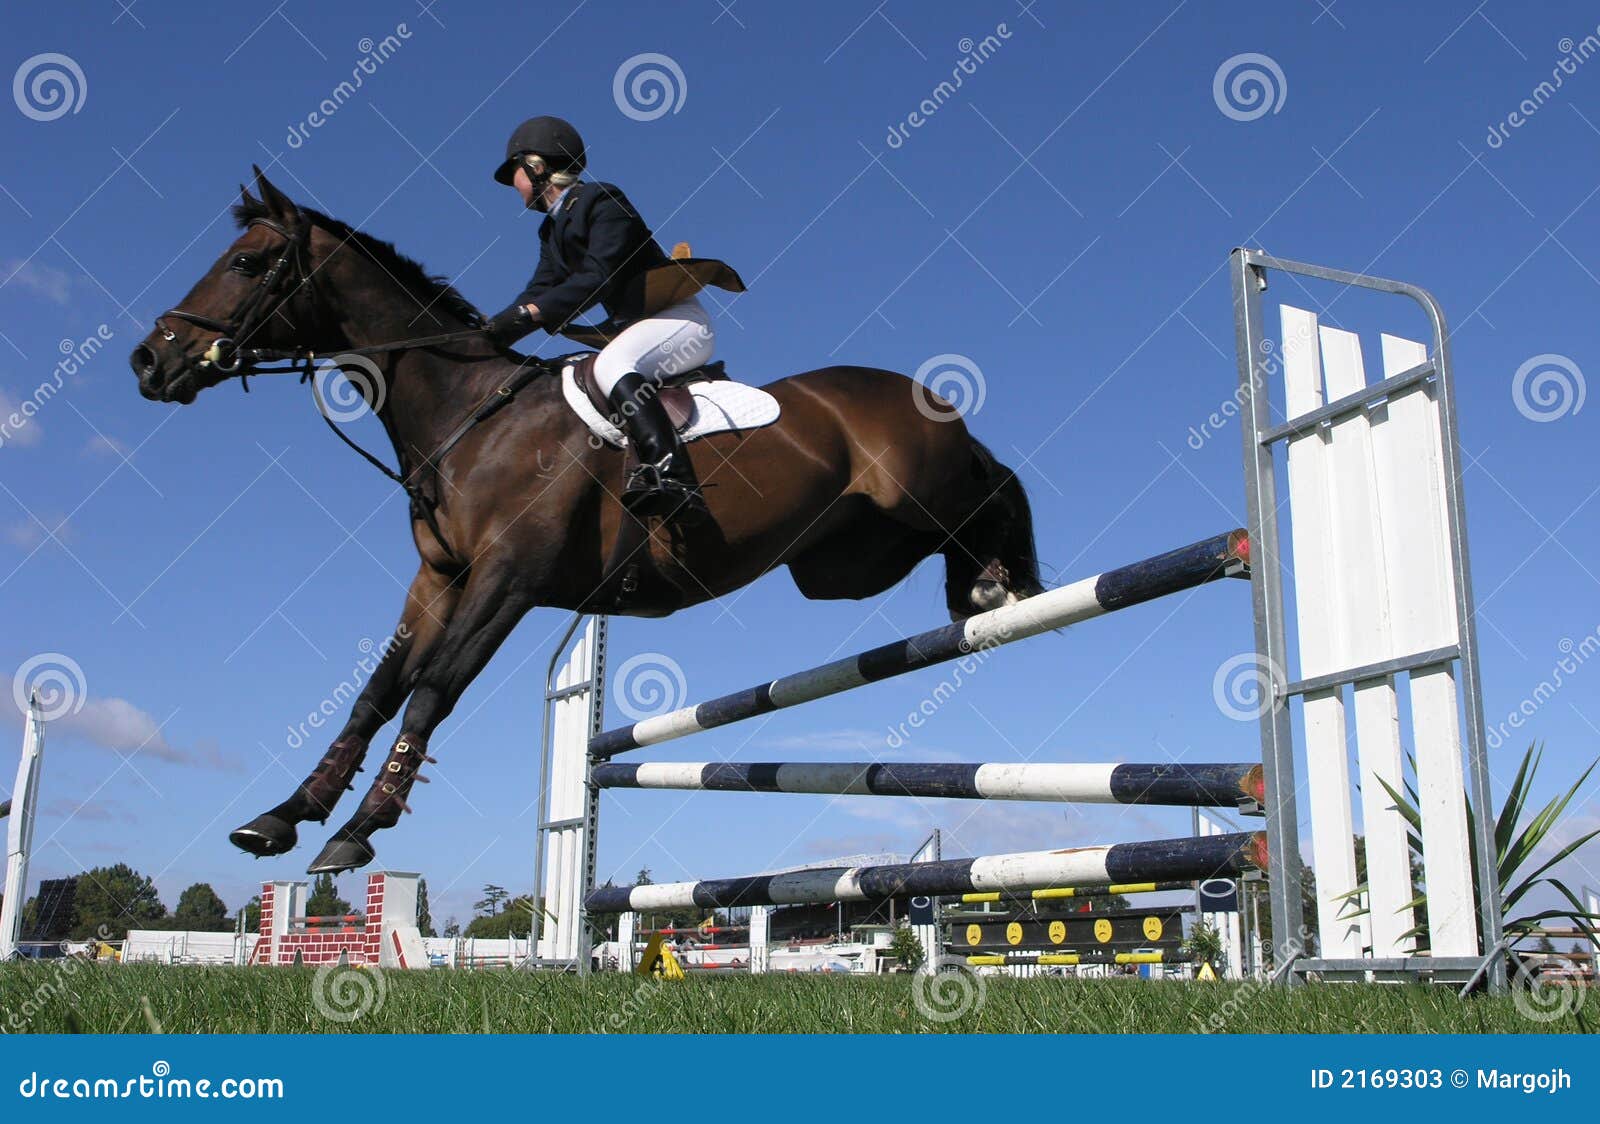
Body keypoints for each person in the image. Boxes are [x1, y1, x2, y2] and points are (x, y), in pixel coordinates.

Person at [485, 116, 739, 523]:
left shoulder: (603, 200)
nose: (511, 184)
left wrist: (529, 314)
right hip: (640, 328)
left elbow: (599, 276)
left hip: (678, 321)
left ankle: (674, 475)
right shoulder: (551, 233)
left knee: (612, 365)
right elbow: (539, 291)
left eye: (512, 172)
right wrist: (488, 335)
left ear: (535, 166)